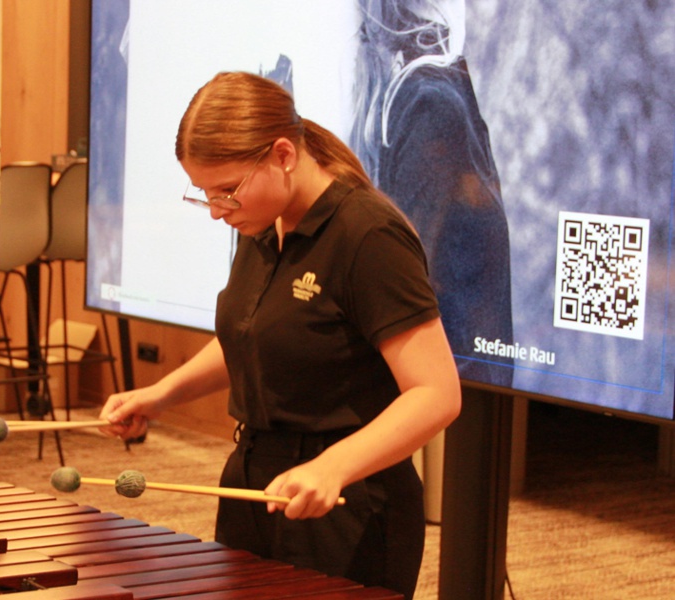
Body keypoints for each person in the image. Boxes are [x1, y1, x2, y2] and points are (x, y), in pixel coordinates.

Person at [100, 71, 461, 599]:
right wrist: (160, 395)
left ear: (284, 155)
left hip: (349, 501)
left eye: (227, 191)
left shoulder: (368, 235)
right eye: (204, 195)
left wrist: (333, 467)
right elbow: (250, 337)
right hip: (253, 483)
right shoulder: (261, 221)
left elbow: (436, 394)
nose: (218, 211)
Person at [350, 0, 514, 386]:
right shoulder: (435, 89)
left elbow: (409, 257)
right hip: (451, 355)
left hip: (446, 361)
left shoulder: (429, 100)